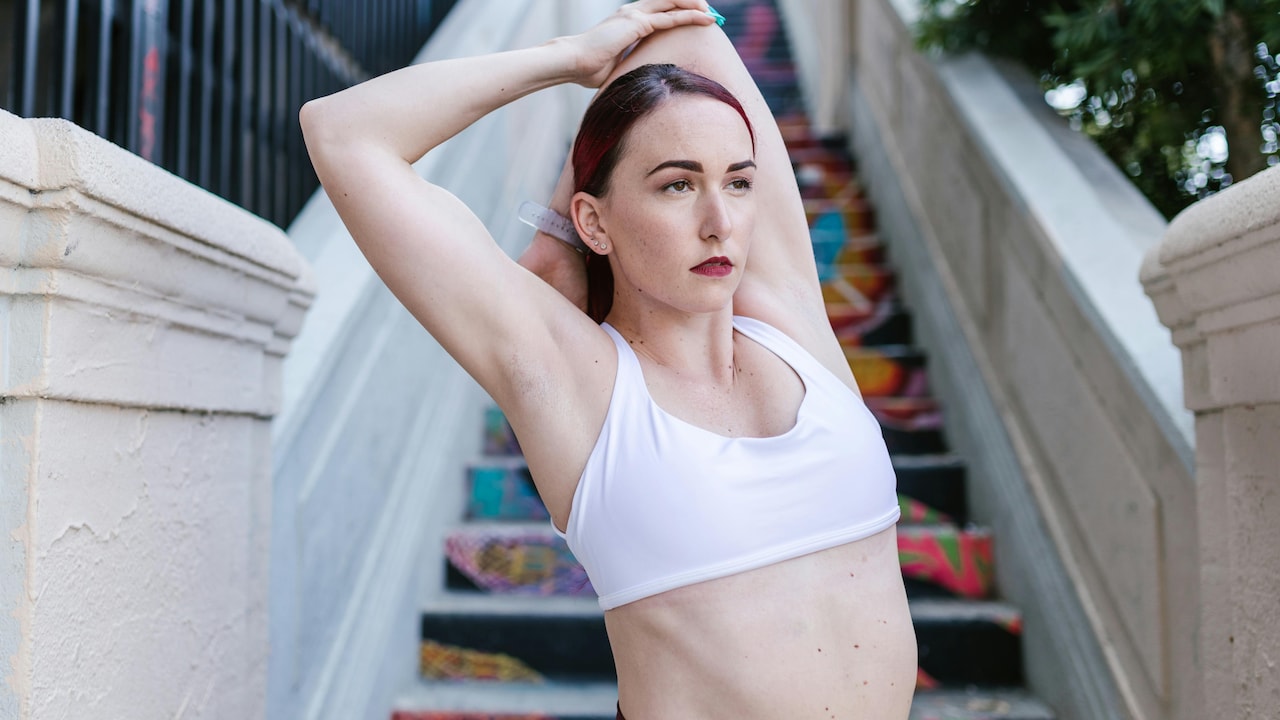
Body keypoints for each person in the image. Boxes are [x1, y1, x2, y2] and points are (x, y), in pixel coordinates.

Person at [300, 1, 916, 717]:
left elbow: (689, 30)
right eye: (677, 184)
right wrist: (570, 59)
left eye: (738, 182)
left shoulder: (789, 323)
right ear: (597, 220)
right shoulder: (577, 382)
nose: (719, 222)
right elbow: (343, 132)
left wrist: (567, 227)